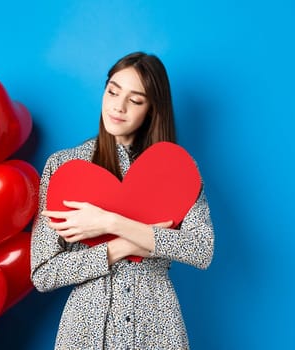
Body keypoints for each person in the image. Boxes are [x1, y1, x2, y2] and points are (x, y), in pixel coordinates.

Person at [30, 52, 214, 349]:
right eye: (113, 91)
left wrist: (108, 221)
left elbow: (201, 249)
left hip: (157, 328)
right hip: (85, 332)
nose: (118, 106)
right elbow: (44, 273)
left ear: (153, 109)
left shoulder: (177, 170)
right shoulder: (64, 167)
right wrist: (123, 246)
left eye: (136, 100)